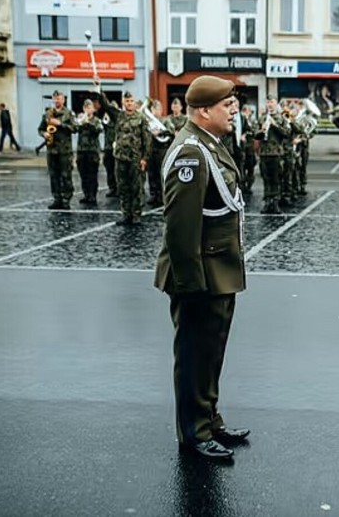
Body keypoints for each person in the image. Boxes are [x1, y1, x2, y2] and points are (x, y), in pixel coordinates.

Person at [154, 75, 249, 461]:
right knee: (196, 357)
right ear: (205, 111)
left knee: (211, 354)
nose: (235, 110)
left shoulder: (209, 144)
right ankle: (194, 433)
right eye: (227, 106)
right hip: (200, 278)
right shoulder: (192, 152)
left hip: (218, 272)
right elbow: (181, 227)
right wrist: (191, 284)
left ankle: (209, 420)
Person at [100, 89, 151, 226]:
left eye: (131, 101)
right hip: (120, 158)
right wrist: (99, 89)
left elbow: (146, 140)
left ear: (134, 103)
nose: (129, 103)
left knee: (136, 187)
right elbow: (105, 105)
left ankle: (136, 215)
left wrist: (145, 158)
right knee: (122, 187)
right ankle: (126, 214)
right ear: (123, 102)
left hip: (135, 158)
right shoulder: (118, 116)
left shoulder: (141, 118)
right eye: (127, 101)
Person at [37, 91, 76, 210]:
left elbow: (74, 128)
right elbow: (40, 129)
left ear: (64, 100)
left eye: (60, 99)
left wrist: (60, 124)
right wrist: (44, 134)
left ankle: (66, 199)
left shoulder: (69, 113)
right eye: (56, 99)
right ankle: (57, 199)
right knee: (54, 176)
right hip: (51, 149)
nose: (57, 101)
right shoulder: (48, 114)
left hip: (64, 150)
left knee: (66, 175)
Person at [257, 94, 291, 214]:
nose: (270, 104)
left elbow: (287, 134)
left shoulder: (281, 118)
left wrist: (274, 125)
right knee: (266, 178)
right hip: (264, 153)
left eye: (272, 102)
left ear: (276, 104)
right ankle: (267, 202)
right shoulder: (262, 118)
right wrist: (262, 130)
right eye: (268, 102)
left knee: (276, 179)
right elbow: (255, 135)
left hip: (276, 153)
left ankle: (275, 203)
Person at [75, 99, 103, 205]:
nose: (88, 109)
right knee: (83, 174)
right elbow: (74, 128)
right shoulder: (80, 119)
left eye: (89, 107)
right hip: (81, 151)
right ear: (83, 108)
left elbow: (99, 130)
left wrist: (88, 124)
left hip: (92, 151)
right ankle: (86, 194)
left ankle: (92, 195)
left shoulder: (96, 120)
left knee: (92, 175)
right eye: (86, 107)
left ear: (93, 109)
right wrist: (82, 121)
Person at [147, 99, 172, 208]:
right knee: (152, 173)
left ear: (160, 110)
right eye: (152, 109)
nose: (154, 111)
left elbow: (171, 131)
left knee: (161, 173)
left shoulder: (165, 120)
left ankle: (162, 195)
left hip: (162, 150)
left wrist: (160, 132)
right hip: (151, 149)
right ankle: (153, 194)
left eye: (156, 109)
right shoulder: (149, 121)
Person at [96, 96, 119, 198]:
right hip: (108, 148)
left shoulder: (117, 120)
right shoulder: (107, 121)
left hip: (117, 148)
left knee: (117, 170)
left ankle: (119, 188)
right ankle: (112, 187)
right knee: (109, 169)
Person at [239, 104, 257, 195]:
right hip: (242, 148)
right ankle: (242, 185)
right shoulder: (240, 120)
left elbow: (255, 131)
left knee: (250, 167)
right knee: (241, 168)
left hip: (250, 147)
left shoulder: (252, 121)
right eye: (245, 110)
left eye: (248, 111)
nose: (247, 113)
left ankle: (249, 185)